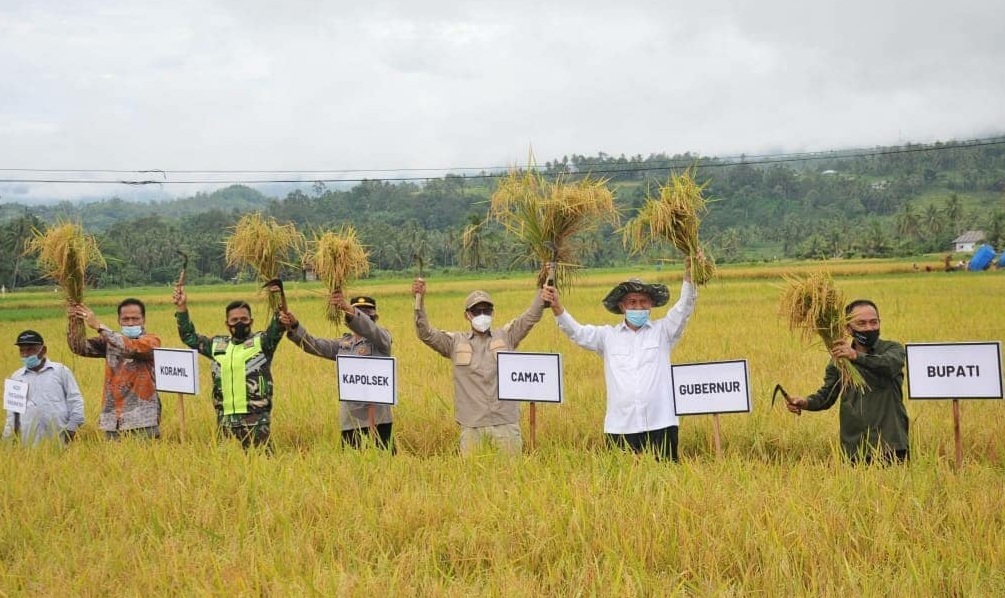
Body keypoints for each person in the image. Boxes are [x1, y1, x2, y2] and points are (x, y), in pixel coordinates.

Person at [540, 262, 696, 462]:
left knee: (666, 483)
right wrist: (557, 307)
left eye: (643, 302)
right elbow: (577, 332)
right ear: (622, 306)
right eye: (632, 302)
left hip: (661, 424)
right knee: (622, 488)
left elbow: (684, 309)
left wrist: (690, 276)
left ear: (651, 305)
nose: (637, 306)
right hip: (621, 426)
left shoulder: (664, 332)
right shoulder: (607, 337)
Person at [413, 278, 545, 456]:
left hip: (505, 423)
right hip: (472, 426)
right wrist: (419, 299)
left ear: (493, 312)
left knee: (512, 477)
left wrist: (544, 284)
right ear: (467, 315)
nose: (482, 315)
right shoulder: (454, 343)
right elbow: (425, 333)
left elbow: (531, 317)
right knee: (473, 479)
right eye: (477, 311)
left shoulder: (507, 336)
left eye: (487, 310)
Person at [785, 299, 909, 464]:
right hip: (854, 447)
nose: (869, 328)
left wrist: (855, 356)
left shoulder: (892, 350)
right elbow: (826, 396)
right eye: (861, 323)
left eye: (874, 322)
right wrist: (805, 402)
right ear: (848, 328)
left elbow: (888, 365)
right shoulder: (840, 361)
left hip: (891, 445)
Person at [173, 284, 284, 450]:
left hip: (256, 421)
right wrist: (182, 307)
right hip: (225, 422)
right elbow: (189, 336)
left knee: (263, 467)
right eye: (234, 320)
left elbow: (279, 324)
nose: (239, 323)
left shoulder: (262, 343)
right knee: (226, 470)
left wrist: (277, 299)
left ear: (251, 321)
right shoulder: (218, 346)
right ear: (227, 324)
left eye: (244, 319)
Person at [279, 292, 394, 450]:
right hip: (350, 419)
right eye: (359, 311)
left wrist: (348, 308)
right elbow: (315, 345)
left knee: (385, 464)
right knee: (350, 465)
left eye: (368, 312)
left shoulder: (382, 340)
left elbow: (370, 329)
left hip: (379, 418)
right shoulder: (343, 344)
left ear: (376, 316)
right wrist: (294, 326)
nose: (365, 315)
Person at [67, 298, 162, 439]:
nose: (130, 323)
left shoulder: (151, 341)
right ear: (119, 321)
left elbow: (131, 347)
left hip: (143, 418)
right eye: (126, 319)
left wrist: (99, 326)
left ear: (144, 320)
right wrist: (75, 321)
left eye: (135, 319)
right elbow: (79, 347)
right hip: (113, 419)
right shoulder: (109, 342)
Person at [3, 330, 85, 446]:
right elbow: (12, 413)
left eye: (30, 349)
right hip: (28, 442)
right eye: (22, 350)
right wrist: (8, 440)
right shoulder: (16, 377)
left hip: (60, 439)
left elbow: (75, 401)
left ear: (43, 350)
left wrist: (71, 429)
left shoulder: (61, 371)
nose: (25, 354)